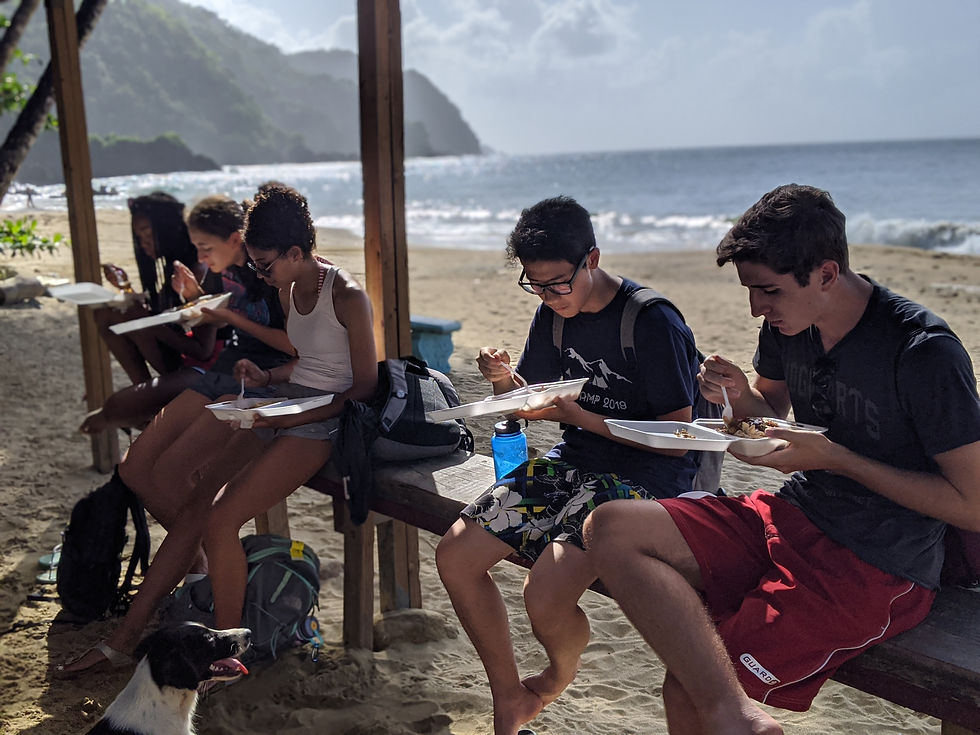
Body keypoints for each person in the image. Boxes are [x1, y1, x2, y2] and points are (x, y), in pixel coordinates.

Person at [583, 184, 980, 734]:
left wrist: (838, 459)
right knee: (610, 528)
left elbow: (971, 505)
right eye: (750, 291)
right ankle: (736, 715)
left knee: (691, 687)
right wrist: (736, 395)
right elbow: (768, 411)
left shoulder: (922, 351)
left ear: (826, 273)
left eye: (768, 291)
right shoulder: (788, 325)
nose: (756, 309)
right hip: (791, 515)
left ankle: (733, 714)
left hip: (879, 563)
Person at [55, 184, 377, 675]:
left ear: (295, 252)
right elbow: (307, 359)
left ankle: (226, 656)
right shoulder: (288, 285)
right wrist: (266, 378)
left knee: (220, 520)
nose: (260, 276)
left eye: (264, 265)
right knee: (196, 509)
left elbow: (362, 388)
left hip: (323, 422)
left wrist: (290, 415)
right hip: (283, 401)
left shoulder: (347, 294)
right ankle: (123, 640)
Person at [435, 195, 706, 735]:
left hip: (647, 479)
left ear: (593, 259)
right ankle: (508, 696)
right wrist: (502, 382)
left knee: (544, 593)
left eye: (558, 283)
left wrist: (580, 417)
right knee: (455, 557)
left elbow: (678, 441)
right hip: (575, 460)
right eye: (535, 285)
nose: (548, 296)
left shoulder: (652, 320)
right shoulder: (551, 315)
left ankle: (557, 677)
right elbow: (533, 399)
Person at [79, 194, 292, 435]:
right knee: (110, 321)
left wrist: (226, 316)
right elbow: (212, 324)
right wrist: (194, 297)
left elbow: (286, 346)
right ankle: (146, 412)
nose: (201, 256)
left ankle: (145, 414)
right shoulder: (219, 269)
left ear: (235, 239)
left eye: (205, 248)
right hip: (223, 367)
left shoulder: (268, 273)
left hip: (245, 372)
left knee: (118, 408)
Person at [93, 192, 222, 385]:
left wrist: (143, 318)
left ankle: (144, 392)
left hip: (204, 368)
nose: (143, 243)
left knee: (129, 310)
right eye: (139, 237)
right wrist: (126, 288)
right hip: (180, 360)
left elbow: (202, 351)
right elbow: (160, 315)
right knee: (105, 312)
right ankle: (141, 385)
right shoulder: (172, 268)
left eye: (148, 234)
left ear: (167, 229)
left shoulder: (194, 270)